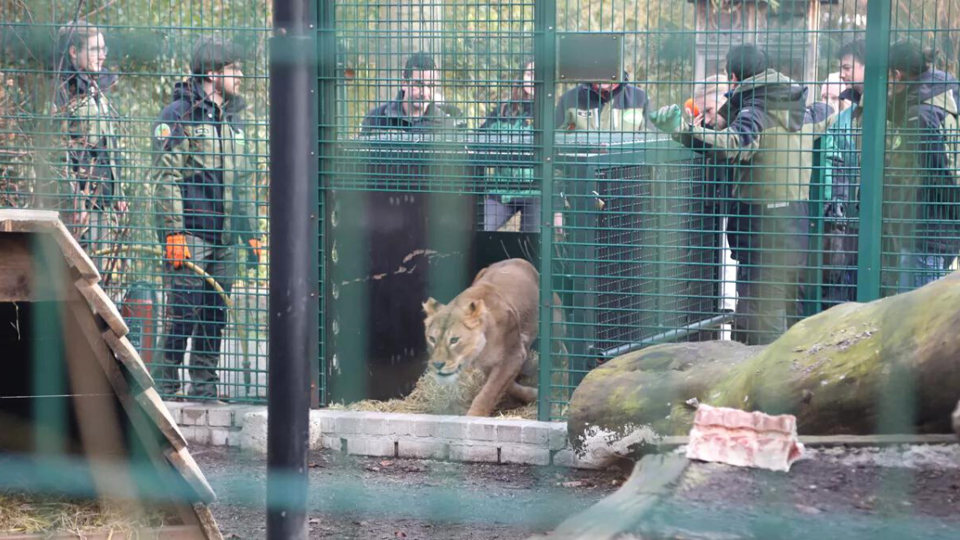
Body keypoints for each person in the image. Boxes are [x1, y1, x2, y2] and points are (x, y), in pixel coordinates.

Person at [650, 44, 817, 345]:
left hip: (763, 232)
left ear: (734, 77)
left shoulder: (757, 109)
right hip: (794, 226)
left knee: (759, 325)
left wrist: (683, 131)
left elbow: (735, 143)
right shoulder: (792, 104)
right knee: (792, 317)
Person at [150, 37, 262, 401]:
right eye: (233, 69)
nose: (240, 75)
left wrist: (251, 233)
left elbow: (244, 183)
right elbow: (165, 178)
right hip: (191, 235)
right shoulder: (177, 116)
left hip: (226, 237)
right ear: (213, 73)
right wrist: (173, 233)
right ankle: (165, 387)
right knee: (183, 311)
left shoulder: (234, 121)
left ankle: (204, 389)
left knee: (215, 315)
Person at [54, 19, 127, 276]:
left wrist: (117, 193)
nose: (103, 55)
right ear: (74, 52)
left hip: (103, 203)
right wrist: (75, 201)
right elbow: (57, 155)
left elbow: (108, 146)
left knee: (103, 278)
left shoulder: (99, 88)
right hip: (79, 209)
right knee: (78, 280)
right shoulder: (61, 92)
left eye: (104, 49)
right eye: (95, 49)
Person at [885, 40, 960, 290]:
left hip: (926, 234)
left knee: (917, 325)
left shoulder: (920, 116)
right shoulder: (941, 99)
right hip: (937, 233)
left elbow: (938, 175)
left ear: (897, 74)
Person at [819, 39, 866, 306]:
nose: (843, 73)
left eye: (847, 67)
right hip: (848, 217)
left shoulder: (875, 109)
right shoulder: (848, 116)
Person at [477, 60, 539, 232]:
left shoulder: (550, 113)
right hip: (502, 189)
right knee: (480, 229)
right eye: (529, 74)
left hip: (535, 192)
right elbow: (480, 139)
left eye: (537, 75)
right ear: (521, 78)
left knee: (533, 243)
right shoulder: (503, 110)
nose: (533, 79)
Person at [360, 52, 464, 133]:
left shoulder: (447, 123)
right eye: (418, 84)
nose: (425, 92)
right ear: (404, 82)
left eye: (431, 86)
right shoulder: (376, 118)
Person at [554, 72, 651, 132]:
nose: (605, 75)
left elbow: (652, 139)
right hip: (584, 164)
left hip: (628, 164)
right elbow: (555, 138)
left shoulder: (640, 98)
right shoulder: (569, 99)